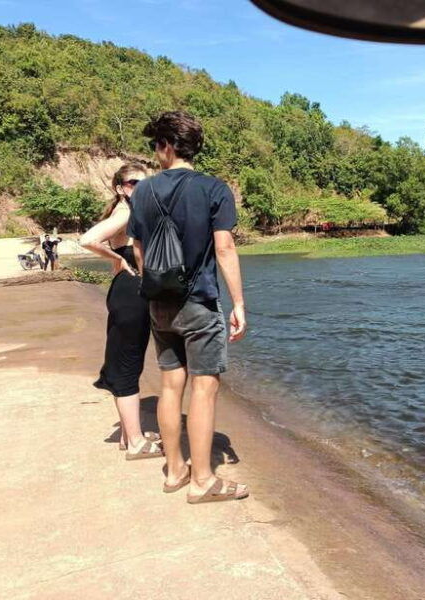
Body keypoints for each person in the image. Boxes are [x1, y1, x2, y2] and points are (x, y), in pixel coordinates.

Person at [128, 111, 248, 502]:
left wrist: (155, 287)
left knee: (169, 385)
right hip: (199, 301)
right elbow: (225, 247)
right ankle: (203, 481)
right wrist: (239, 303)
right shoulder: (214, 189)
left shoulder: (142, 191)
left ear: (166, 145)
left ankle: (175, 470)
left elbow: (138, 248)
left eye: (156, 146)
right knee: (204, 389)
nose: (156, 154)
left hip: (159, 304)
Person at [80, 162, 163, 460]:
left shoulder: (128, 212)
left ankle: (130, 436)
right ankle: (137, 441)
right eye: (132, 183)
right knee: (128, 364)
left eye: (145, 183)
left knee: (128, 361)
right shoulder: (126, 213)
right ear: (119, 188)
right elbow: (88, 239)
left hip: (125, 294)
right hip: (130, 295)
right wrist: (115, 255)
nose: (139, 188)